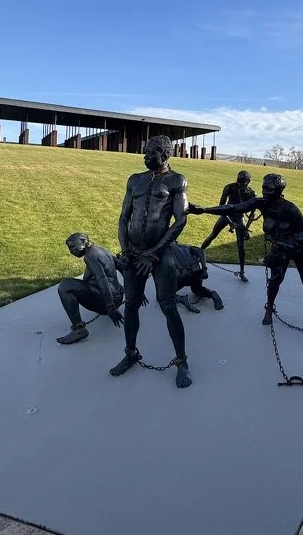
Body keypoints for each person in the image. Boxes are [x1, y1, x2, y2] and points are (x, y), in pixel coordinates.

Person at [188, 173, 303, 344]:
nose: (264, 192)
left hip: (298, 251)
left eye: (269, 189)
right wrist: (203, 210)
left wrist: (288, 246)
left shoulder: (291, 209)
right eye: (263, 188)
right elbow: (233, 208)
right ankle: (269, 309)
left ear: (280, 190)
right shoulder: (261, 203)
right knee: (274, 283)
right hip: (279, 250)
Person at [109, 134, 193, 389]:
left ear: (164, 155)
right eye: (144, 152)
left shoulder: (177, 181)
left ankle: (181, 361)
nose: (144, 157)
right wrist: (125, 251)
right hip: (134, 252)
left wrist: (154, 253)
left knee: (167, 306)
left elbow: (180, 221)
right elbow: (124, 218)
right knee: (131, 304)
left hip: (160, 253)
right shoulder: (135, 180)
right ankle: (130, 353)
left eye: (149, 153)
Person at [56, 233, 125, 344]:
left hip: (107, 303)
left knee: (65, 286)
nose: (71, 251)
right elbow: (121, 266)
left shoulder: (90, 256)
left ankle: (79, 329)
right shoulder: (102, 250)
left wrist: (110, 307)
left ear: (83, 241)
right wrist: (132, 292)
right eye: (70, 248)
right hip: (118, 297)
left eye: (73, 247)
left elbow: (102, 279)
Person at [199, 170, 259, 281]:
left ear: (248, 181)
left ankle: (242, 272)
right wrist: (230, 222)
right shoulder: (230, 188)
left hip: (239, 218)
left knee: (241, 246)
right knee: (213, 235)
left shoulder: (252, 194)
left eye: (243, 181)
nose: (240, 183)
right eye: (238, 180)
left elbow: (252, 212)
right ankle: (198, 253)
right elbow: (221, 207)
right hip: (226, 215)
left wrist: (246, 229)